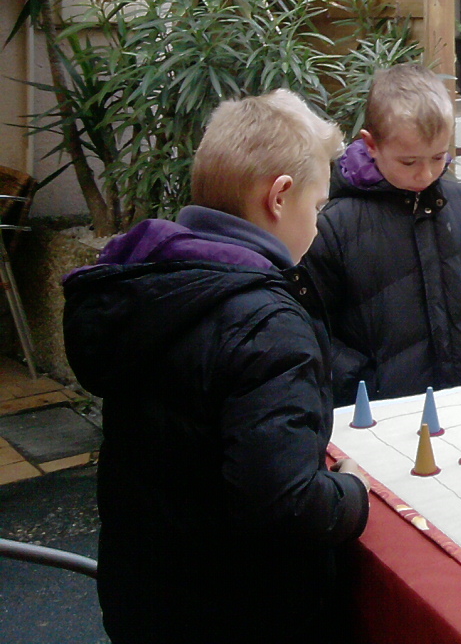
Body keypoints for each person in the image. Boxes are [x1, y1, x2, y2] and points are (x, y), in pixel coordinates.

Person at [62, 90, 370, 644]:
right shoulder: (267, 325)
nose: (320, 227)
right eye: (318, 207)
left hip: (148, 595)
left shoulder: (154, 282)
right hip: (240, 611)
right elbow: (287, 507)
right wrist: (352, 495)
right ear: (279, 197)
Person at [303, 63, 461, 404]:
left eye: (437, 157)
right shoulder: (333, 225)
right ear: (371, 145)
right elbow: (311, 323)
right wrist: (361, 383)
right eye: (409, 162)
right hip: (378, 413)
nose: (426, 173)